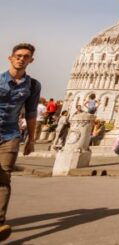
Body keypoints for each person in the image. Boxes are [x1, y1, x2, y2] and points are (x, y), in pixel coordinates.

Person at [0, 44, 41, 240]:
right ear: (10, 58)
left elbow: (31, 113)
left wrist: (31, 139)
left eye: (26, 57)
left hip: (10, 135)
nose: (21, 59)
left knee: (4, 177)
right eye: (18, 56)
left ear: (31, 61)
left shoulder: (32, 85)